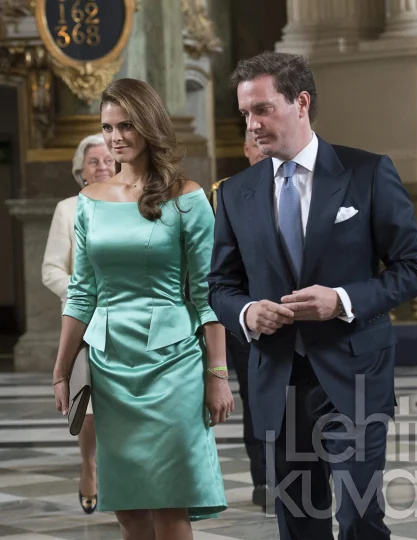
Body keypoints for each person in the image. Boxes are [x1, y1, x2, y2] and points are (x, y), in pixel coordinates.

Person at [208, 51, 417, 540]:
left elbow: (416, 268)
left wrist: (343, 300)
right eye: (245, 113)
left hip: (354, 376)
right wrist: (246, 311)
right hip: (279, 382)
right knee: (300, 523)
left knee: (358, 517)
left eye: (262, 109)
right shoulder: (235, 193)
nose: (251, 124)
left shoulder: (367, 173)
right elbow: (220, 286)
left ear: (301, 102)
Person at [52, 77, 232, 540]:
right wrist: (61, 370)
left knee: (170, 504)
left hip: (172, 366)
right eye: (108, 127)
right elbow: (81, 292)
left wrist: (217, 373)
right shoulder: (89, 202)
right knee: (129, 509)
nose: (115, 137)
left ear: (149, 125)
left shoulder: (187, 197)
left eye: (126, 125)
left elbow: (209, 292)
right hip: (110, 367)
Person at [42, 133, 115, 514]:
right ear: (80, 170)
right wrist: (79, 293)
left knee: (119, 404)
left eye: (107, 159)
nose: (102, 166)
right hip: (83, 322)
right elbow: (50, 268)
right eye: (93, 162)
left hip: (124, 319)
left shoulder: (129, 203)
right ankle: (90, 465)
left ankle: (119, 473)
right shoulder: (68, 209)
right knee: (85, 405)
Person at [209, 131, 268, 509]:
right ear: (245, 150)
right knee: (257, 399)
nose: (262, 150)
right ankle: (265, 480)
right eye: (254, 145)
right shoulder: (225, 192)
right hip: (244, 317)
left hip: (299, 312)